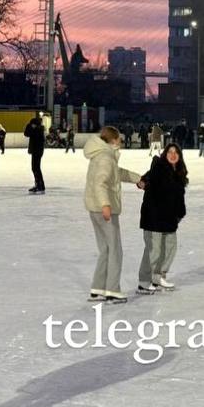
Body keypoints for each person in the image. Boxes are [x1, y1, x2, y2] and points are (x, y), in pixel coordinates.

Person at [83, 125, 143, 303]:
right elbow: (100, 183)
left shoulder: (101, 155)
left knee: (105, 249)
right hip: (103, 210)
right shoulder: (106, 158)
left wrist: (138, 179)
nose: (122, 142)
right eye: (120, 139)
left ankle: (98, 287)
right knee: (115, 249)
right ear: (114, 140)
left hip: (94, 208)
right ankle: (112, 290)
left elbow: (117, 174)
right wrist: (106, 205)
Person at [137, 143, 188, 293]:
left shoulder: (179, 173)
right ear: (165, 154)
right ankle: (144, 282)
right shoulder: (159, 168)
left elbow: (179, 198)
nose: (173, 155)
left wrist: (180, 213)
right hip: (154, 217)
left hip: (170, 219)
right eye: (169, 152)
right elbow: (147, 178)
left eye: (176, 152)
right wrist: (143, 183)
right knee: (153, 250)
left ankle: (158, 276)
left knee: (169, 249)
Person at [24, 113, 46, 193]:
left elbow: (27, 133)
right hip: (37, 151)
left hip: (37, 151)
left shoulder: (37, 130)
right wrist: (30, 126)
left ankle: (39, 185)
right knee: (36, 168)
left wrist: (31, 127)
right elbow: (26, 134)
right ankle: (40, 185)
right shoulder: (38, 129)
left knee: (35, 168)